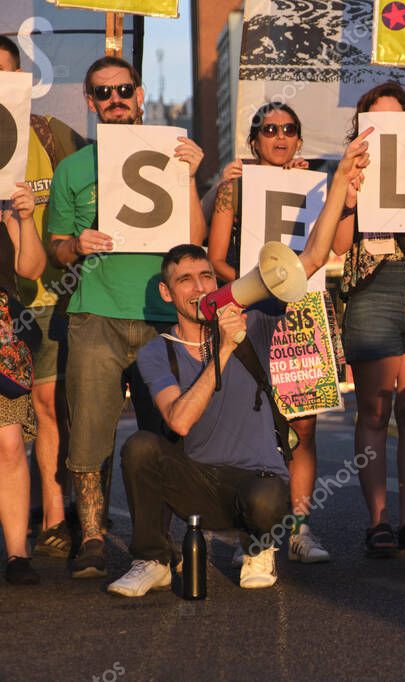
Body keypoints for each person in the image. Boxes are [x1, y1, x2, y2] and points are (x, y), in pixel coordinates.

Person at [106, 236, 347, 596]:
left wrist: (341, 180)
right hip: (196, 484)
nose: (199, 287)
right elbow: (179, 421)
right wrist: (223, 351)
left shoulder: (255, 324)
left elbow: (310, 259)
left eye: (206, 276)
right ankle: (153, 561)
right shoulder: (156, 352)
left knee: (267, 498)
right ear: (166, 292)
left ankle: (257, 547)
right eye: (185, 279)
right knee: (140, 446)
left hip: (254, 483)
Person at [47, 56, 207, 578]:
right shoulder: (73, 168)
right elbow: (54, 248)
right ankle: (92, 537)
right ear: (91, 103)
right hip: (96, 313)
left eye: (124, 90)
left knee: (166, 433)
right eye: (104, 92)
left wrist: (191, 175)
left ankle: (159, 539)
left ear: (139, 96)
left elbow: (197, 241)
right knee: (90, 431)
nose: (116, 99)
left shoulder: (173, 155)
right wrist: (76, 243)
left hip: (162, 318)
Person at [325, 82, 405, 557]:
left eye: (396, 117)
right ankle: (378, 520)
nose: (386, 128)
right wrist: (349, 194)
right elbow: (339, 246)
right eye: (375, 119)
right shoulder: (348, 170)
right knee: (375, 411)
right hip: (372, 290)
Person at [207, 102, 329, 564]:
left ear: (299, 138)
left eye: (289, 128)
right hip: (251, 312)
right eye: (269, 128)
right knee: (251, 422)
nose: (279, 135)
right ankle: (254, 532)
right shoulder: (234, 189)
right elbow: (217, 256)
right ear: (254, 140)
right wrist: (255, 286)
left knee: (303, 428)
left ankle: (299, 527)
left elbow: (333, 246)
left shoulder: (314, 183)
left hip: (303, 313)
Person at [0, 36, 86, 560]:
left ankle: (55, 517)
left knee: (50, 405)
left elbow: (97, 186)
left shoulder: (52, 135)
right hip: (5, 303)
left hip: (51, 297)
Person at [0, 183, 47, 584]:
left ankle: (18, 553)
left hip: (1, 334)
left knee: (10, 445)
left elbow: (31, 270)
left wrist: (27, 219)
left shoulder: (4, 202)